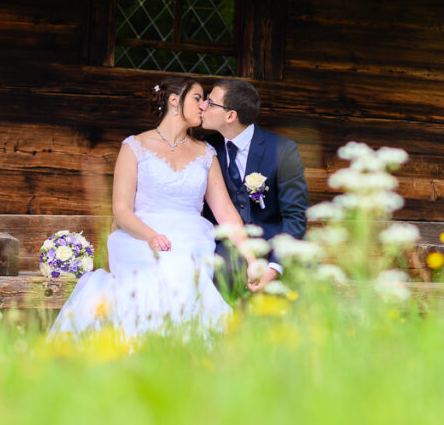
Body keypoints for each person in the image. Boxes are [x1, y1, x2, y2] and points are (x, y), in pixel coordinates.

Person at [50, 76, 271, 338]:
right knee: (157, 273)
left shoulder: (206, 154)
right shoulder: (134, 146)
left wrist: (251, 258)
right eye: (198, 98)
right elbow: (121, 210)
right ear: (174, 101)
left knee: (183, 270)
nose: (203, 106)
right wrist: (151, 236)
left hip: (191, 241)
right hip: (138, 237)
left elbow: (225, 213)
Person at [200, 79, 308, 291]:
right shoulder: (207, 148)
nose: (202, 105)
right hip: (228, 246)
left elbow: (295, 215)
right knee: (227, 271)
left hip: (273, 244)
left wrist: (275, 266)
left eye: (210, 103)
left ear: (230, 116)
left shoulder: (282, 149)